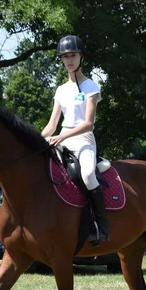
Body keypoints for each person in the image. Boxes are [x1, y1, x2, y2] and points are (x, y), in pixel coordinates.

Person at [42, 35, 110, 245]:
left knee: (89, 175)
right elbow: (52, 124)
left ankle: (101, 226)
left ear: (81, 57)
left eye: (73, 55)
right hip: (61, 138)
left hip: (83, 139)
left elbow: (88, 123)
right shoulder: (61, 90)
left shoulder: (91, 87)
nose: (69, 60)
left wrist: (61, 136)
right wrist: (37, 139)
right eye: (65, 57)